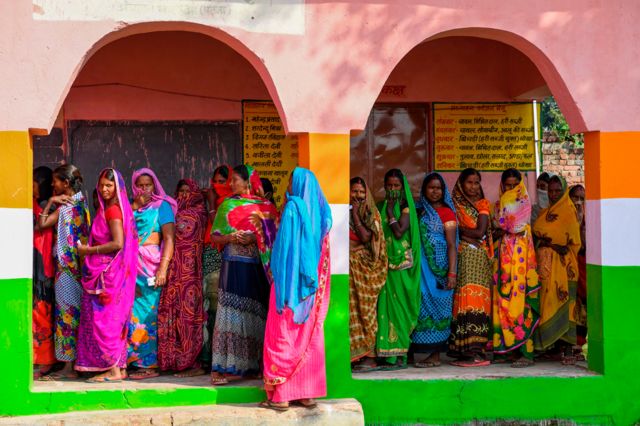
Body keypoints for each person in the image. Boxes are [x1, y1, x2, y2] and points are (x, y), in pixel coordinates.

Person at [262, 167, 332, 411]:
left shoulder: (293, 209)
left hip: (288, 289)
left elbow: (283, 252)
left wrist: (275, 273)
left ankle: (281, 396)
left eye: (290, 181)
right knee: (308, 338)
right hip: (312, 292)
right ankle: (306, 395)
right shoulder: (322, 215)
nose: (287, 185)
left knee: (283, 335)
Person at [209, 165, 278, 385]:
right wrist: (231, 238)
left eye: (235, 180)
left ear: (248, 182)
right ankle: (221, 368)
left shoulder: (266, 207)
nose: (231, 184)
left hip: (258, 268)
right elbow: (215, 237)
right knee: (229, 313)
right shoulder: (226, 205)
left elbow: (274, 237)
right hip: (233, 266)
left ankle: (257, 364)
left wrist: (255, 239)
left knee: (257, 314)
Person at [75, 168, 138, 382]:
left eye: (109, 185)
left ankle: (112, 370)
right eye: (101, 185)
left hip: (105, 274)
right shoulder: (109, 208)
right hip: (105, 272)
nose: (104, 189)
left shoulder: (112, 211)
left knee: (105, 321)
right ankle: (118, 368)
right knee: (110, 320)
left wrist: (88, 251)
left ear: (117, 188)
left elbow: (118, 243)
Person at [37, 164, 90, 381]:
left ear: (65, 183)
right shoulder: (73, 205)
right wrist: (51, 202)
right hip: (72, 271)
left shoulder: (71, 207)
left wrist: (50, 204)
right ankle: (73, 364)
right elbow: (43, 224)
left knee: (67, 317)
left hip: (69, 271)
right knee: (70, 316)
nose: (52, 185)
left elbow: (42, 225)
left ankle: (69, 368)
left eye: (55, 181)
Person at [127, 168, 176, 380]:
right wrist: (134, 207)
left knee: (150, 312)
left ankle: (151, 363)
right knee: (130, 313)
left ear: (154, 186)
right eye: (140, 185)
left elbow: (169, 239)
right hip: (130, 266)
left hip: (151, 265)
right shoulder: (131, 208)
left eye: (148, 185)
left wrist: (163, 268)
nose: (144, 189)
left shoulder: (162, 207)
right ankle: (133, 360)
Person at [158, 179, 207, 376]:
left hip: (192, 273)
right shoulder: (172, 210)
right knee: (172, 313)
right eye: (181, 191)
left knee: (189, 318)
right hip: (173, 269)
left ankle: (192, 363)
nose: (184, 195)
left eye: (188, 191)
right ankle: (172, 360)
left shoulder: (202, 212)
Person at [491, 168, 540, 368]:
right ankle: (505, 349)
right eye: (508, 185)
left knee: (521, 302)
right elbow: (496, 230)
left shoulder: (525, 206)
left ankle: (525, 353)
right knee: (501, 301)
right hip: (502, 258)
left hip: (522, 260)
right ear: (502, 185)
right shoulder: (496, 206)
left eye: (515, 185)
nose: (511, 189)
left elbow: (516, 228)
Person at [375, 169, 421, 370]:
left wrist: (391, 211)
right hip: (384, 265)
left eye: (396, 186)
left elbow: (399, 231)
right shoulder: (379, 207)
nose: (392, 189)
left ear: (402, 188)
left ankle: (400, 355)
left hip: (401, 267)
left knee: (400, 309)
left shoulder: (405, 209)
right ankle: (386, 354)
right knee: (384, 309)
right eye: (389, 186)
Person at [410, 173, 458, 368]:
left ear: (443, 190)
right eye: (431, 187)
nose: (435, 191)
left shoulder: (447, 213)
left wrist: (452, 273)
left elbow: (451, 244)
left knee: (440, 310)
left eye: (438, 188)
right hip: (421, 271)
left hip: (441, 270)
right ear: (424, 190)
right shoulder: (419, 211)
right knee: (421, 308)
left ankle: (436, 355)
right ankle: (415, 351)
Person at [533, 175, 581, 364]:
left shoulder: (569, 212)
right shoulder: (544, 213)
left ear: (564, 191)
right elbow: (535, 235)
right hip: (544, 267)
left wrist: (552, 245)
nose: (553, 195)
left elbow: (573, 242)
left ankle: (568, 349)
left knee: (566, 304)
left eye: (557, 191)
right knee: (546, 303)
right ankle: (548, 346)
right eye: (550, 191)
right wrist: (544, 243)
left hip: (564, 266)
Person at [449, 168, 492, 367]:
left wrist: (461, 232)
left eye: (477, 183)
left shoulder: (483, 204)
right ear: (461, 184)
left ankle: (476, 351)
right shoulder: (453, 205)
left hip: (479, 258)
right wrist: (466, 234)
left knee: (477, 301)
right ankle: (464, 351)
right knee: (464, 301)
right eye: (469, 183)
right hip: (463, 258)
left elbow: (480, 231)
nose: (473, 187)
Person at [349, 177, 387, 372]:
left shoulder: (371, 213)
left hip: (367, 269)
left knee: (366, 313)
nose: (357, 196)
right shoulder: (342, 213)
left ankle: (370, 356)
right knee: (353, 312)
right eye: (353, 191)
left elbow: (365, 238)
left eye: (361, 192)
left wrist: (355, 214)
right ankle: (355, 355)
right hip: (350, 270)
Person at [200, 165, 233, 367]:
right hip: (209, 251)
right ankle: (209, 355)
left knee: (217, 305)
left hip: (221, 254)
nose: (218, 185)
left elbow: (219, 227)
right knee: (208, 305)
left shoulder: (229, 202)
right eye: (216, 181)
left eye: (223, 181)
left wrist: (212, 202)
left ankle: (218, 357)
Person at [32, 166, 56, 379]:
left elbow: (41, 228)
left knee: (43, 312)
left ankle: (46, 359)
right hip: (36, 262)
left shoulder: (45, 207)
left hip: (45, 265)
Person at [569, 184, 587, 348]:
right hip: (569, 263)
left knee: (585, 302)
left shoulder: (589, 216)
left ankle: (583, 341)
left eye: (582, 198)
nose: (578, 202)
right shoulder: (565, 216)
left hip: (584, 261)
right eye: (575, 198)